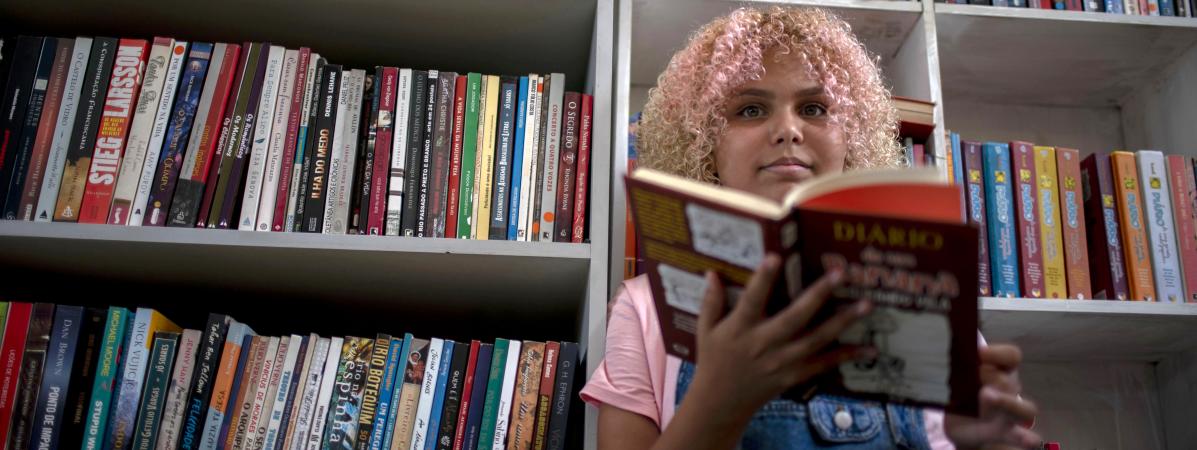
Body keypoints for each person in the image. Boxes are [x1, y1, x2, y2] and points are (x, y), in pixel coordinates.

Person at [582, 6, 1041, 449]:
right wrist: (717, 402)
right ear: (703, 145)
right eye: (749, 110)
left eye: (815, 108)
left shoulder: (929, 303)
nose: (788, 130)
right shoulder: (644, 307)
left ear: (852, 139)